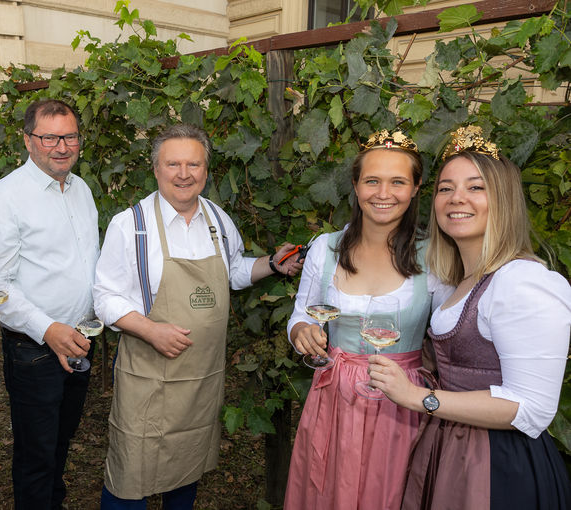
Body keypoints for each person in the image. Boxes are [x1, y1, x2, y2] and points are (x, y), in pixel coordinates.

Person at [93, 123, 302, 509]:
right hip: (147, 375)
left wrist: (271, 264)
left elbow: (234, 271)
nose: (184, 174)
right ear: (155, 169)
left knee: (186, 467)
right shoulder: (132, 226)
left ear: (206, 170)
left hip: (202, 377)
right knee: (130, 474)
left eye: (194, 164)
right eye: (173, 164)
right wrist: (151, 331)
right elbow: (104, 297)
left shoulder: (218, 221)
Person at [368, 125, 571, 509]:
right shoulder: (455, 281)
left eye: (476, 187)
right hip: (449, 449)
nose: (456, 198)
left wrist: (419, 398)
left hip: (500, 467)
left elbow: (531, 409)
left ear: (504, 200)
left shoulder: (523, 281)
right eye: (446, 188)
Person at [284, 130, 450, 510]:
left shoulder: (434, 257)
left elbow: (449, 334)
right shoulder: (324, 248)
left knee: (389, 492)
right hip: (334, 396)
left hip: (401, 399)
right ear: (356, 186)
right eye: (372, 180)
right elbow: (298, 319)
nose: (383, 193)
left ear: (416, 187)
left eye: (398, 182)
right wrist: (303, 334)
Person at [0, 98, 99, 509]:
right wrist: (50, 330)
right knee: (36, 457)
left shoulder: (81, 189)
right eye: (50, 137)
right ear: (28, 141)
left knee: (61, 442)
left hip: (80, 340)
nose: (62, 146)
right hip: (36, 350)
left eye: (70, 136)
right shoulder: (3, 199)